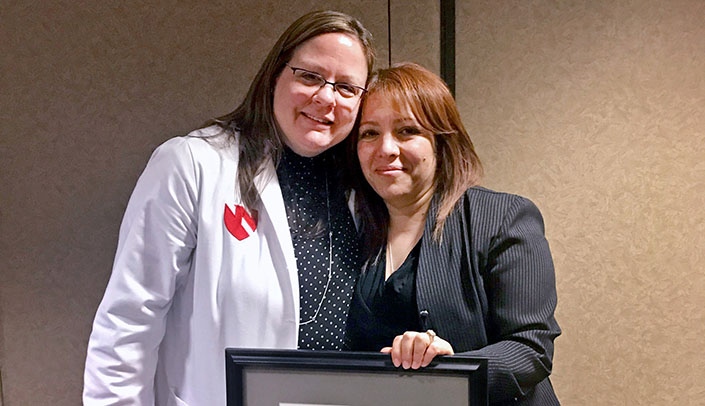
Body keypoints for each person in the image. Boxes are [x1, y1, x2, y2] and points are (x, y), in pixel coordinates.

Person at [83, 10, 375, 405]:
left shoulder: (362, 191)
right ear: (275, 76)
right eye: (309, 76)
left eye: (346, 88)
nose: (325, 98)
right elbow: (127, 325)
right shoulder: (192, 164)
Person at [344, 63, 561, 405]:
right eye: (369, 133)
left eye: (406, 131)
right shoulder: (349, 229)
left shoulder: (503, 217)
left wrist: (455, 370)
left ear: (441, 141)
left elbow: (530, 349)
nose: (385, 149)